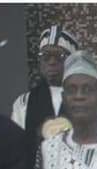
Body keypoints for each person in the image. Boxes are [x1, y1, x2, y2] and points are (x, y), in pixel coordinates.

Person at [11, 25, 79, 159]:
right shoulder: (24, 102)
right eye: (45, 56)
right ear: (40, 61)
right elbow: (16, 149)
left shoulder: (90, 100)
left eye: (60, 56)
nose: (52, 62)